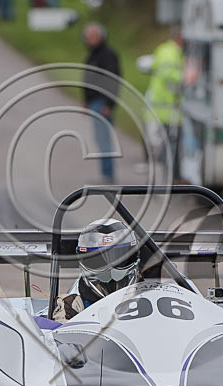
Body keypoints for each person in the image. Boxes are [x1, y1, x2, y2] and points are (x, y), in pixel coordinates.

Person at [52, 219, 141, 322]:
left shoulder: (152, 295)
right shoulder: (71, 305)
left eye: (119, 259)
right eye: (99, 261)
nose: (110, 269)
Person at [144, 27, 184, 181]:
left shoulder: (173, 51)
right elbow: (168, 75)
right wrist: (188, 77)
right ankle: (161, 183)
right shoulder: (169, 52)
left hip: (167, 110)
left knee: (165, 150)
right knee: (163, 150)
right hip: (163, 110)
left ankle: (164, 180)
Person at [82, 23, 120, 183]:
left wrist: (109, 105)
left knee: (104, 140)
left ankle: (108, 174)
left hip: (102, 103)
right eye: (88, 37)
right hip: (94, 103)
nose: (91, 40)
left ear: (102, 36)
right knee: (99, 139)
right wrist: (86, 101)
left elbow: (113, 80)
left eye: (94, 36)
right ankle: (105, 173)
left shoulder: (107, 55)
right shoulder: (93, 55)